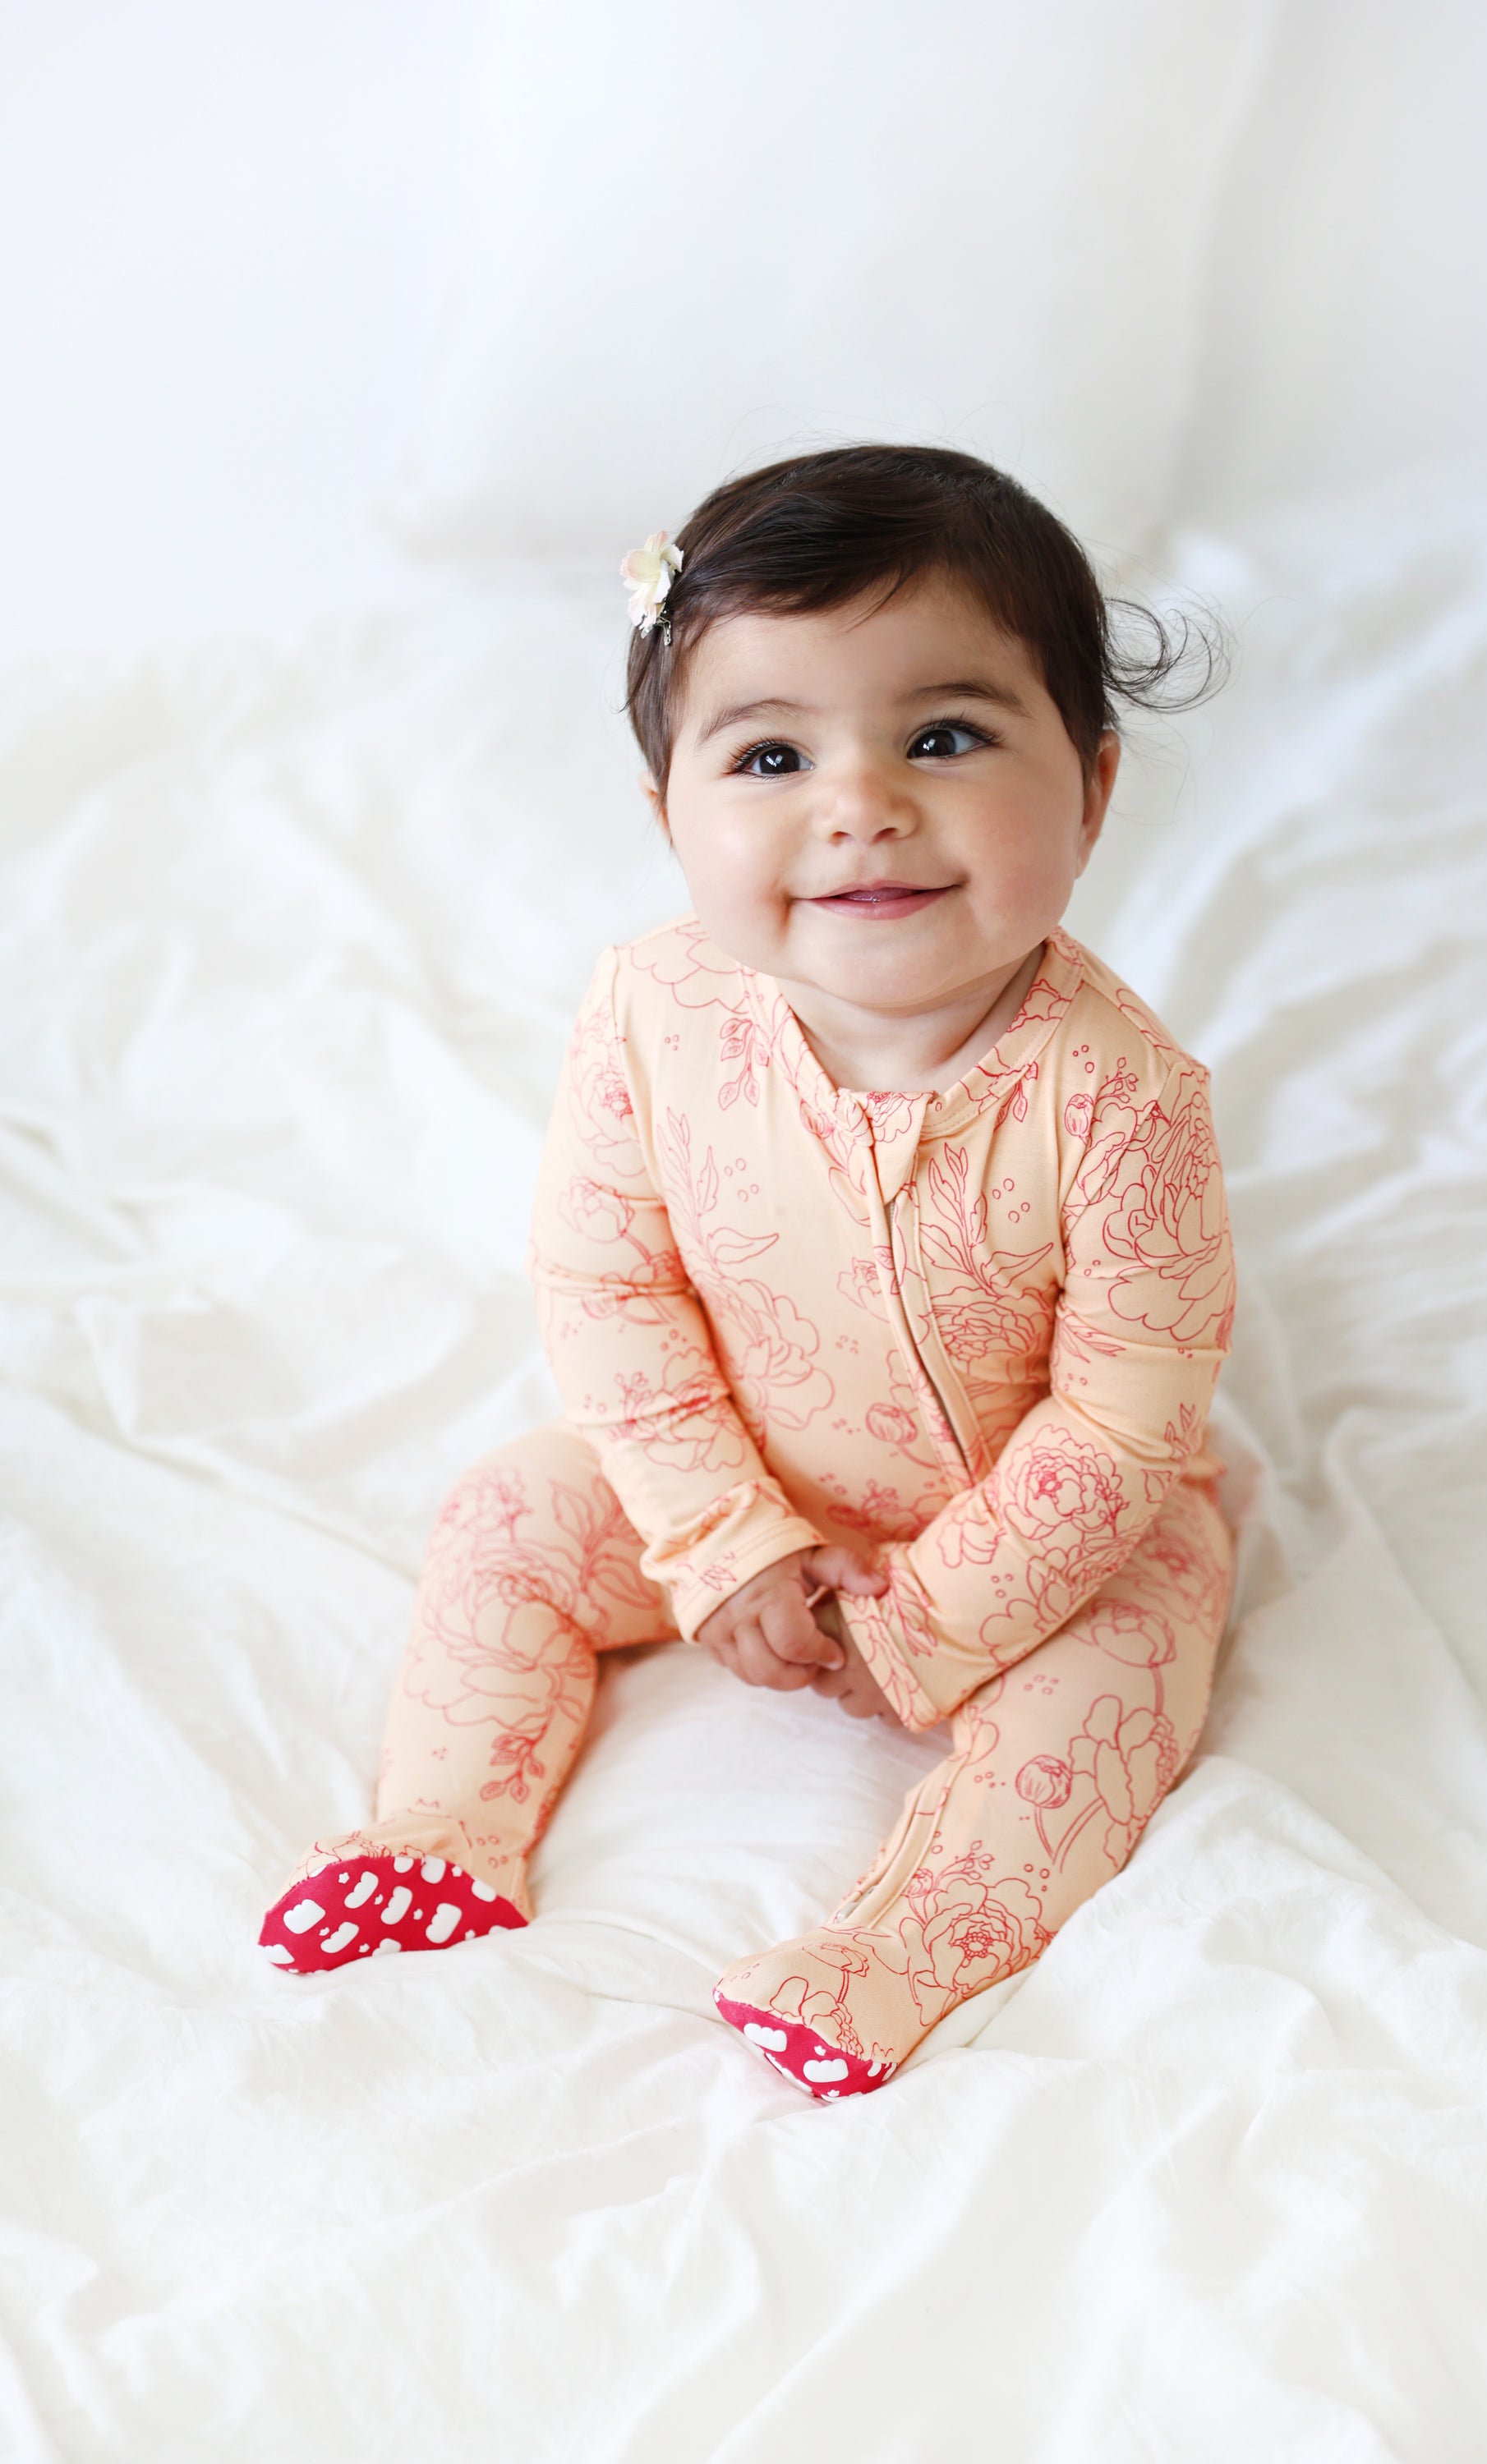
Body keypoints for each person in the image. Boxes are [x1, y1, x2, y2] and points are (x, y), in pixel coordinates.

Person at [259, 445, 1236, 2100]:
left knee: (1125, 1672)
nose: (859, 803)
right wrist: (717, 1540)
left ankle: (908, 1947)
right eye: (771, 753)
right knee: (507, 1511)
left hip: (1041, 1532)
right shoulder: (653, 1014)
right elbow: (607, 1285)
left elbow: (1124, 1420)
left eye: (942, 736)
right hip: (756, 1479)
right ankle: (446, 1825)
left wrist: (934, 1618)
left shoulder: (1121, 1098)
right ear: (669, 816)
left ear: (1091, 785)